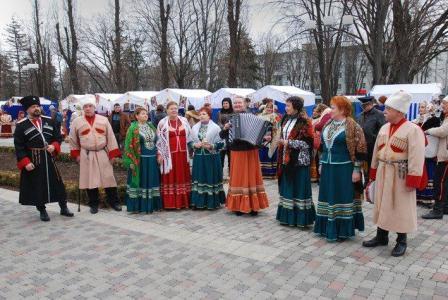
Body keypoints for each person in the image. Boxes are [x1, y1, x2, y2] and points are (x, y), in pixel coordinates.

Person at [363, 90, 426, 257]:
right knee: (382, 202)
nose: (384, 111)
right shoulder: (384, 127)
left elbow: (417, 155)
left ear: (398, 111)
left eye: (388, 109)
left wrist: (414, 177)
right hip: (384, 171)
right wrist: (373, 172)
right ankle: (381, 236)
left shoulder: (413, 130)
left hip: (401, 174)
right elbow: (377, 150)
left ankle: (401, 240)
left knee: (400, 206)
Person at [314, 96, 367, 242]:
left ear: (343, 110)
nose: (330, 110)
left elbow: (361, 148)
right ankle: (326, 227)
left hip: (344, 169)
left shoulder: (353, 126)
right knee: (327, 196)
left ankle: (342, 229)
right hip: (328, 167)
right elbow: (323, 147)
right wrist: (321, 163)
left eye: (333, 107)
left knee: (341, 197)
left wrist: (357, 169)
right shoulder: (328, 124)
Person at [13, 96, 73, 221]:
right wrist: (25, 162)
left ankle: (63, 207)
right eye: (33, 107)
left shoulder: (49, 121)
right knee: (37, 185)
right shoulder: (21, 125)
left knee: (58, 183)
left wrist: (54, 146)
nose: (36, 109)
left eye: (37, 106)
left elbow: (58, 138)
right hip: (33, 159)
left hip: (49, 158)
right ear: (27, 109)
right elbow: (19, 147)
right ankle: (42, 210)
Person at [69, 97, 122, 214]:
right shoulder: (76, 122)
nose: (88, 108)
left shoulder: (104, 120)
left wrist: (112, 154)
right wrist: (76, 155)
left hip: (103, 152)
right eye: (85, 106)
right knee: (90, 179)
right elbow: (72, 139)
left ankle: (114, 202)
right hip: (86, 154)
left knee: (108, 177)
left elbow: (111, 137)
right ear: (83, 108)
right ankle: (93, 204)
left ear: (94, 107)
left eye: (90, 106)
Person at [219, 97, 270, 216]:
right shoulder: (229, 118)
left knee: (252, 176)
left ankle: (253, 206)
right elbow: (222, 135)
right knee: (238, 177)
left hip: (251, 151)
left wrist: (264, 138)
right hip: (236, 151)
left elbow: (259, 134)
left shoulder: (253, 116)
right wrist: (225, 128)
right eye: (235, 103)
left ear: (245, 104)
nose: (237, 105)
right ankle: (237, 206)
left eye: (239, 102)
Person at [276, 96, 315, 227]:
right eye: (285, 105)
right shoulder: (285, 119)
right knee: (288, 187)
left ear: (296, 107)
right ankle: (287, 218)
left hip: (299, 161)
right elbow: (281, 135)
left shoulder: (305, 122)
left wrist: (289, 142)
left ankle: (300, 220)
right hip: (286, 159)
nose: (285, 108)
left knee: (298, 188)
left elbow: (309, 143)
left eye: (288, 106)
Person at [123, 107, 162, 214]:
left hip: (152, 160)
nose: (146, 115)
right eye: (143, 113)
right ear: (137, 116)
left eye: (146, 113)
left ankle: (152, 205)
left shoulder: (151, 126)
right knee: (141, 182)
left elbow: (157, 142)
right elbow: (128, 145)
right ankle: (138, 206)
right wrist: (130, 161)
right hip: (140, 161)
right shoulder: (133, 128)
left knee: (152, 180)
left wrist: (159, 154)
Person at [156, 101, 192, 209]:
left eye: (175, 108)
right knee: (171, 178)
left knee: (182, 177)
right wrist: (160, 154)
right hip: (169, 157)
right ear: (167, 110)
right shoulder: (162, 123)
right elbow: (159, 140)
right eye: (171, 108)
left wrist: (192, 148)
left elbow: (190, 136)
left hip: (182, 155)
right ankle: (170, 203)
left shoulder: (184, 121)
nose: (174, 110)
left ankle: (183, 202)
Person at [190, 106, 226, 209]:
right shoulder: (195, 127)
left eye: (204, 114)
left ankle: (211, 202)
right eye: (200, 114)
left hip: (211, 158)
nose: (201, 116)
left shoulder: (216, 128)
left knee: (209, 177)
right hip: (198, 158)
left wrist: (212, 146)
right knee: (199, 178)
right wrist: (194, 145)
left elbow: (222, 143)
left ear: (209, 116)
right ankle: (198, 202)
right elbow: (189, 141)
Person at [422, 96, 448, 219]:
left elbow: (443, 131)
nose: (442, 105)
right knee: (444, 183)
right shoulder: (446, 117)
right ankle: (444, 208)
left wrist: (428, 131)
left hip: (445, 156)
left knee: (439, 183)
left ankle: (437, 210)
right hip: (444, 155)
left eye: (445, 103)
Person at [413, 102, 440, 205]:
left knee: (429, 174)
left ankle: (428, 199)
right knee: (420, 173)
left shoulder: (433, 120)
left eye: (423, 107)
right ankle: (419, 197)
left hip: (429, 152)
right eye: (420, 107)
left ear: (429, 109)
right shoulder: (418, 119)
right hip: (420, 152)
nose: (420, 109)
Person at [357, 95, 386, 172]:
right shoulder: (360, 116)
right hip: (362, 147)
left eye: (365, 105)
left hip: (374, 146)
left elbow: (383, 130)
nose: (364, 107)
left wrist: (375, 139)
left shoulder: (379, 114)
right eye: (362, 105)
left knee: (373, 168)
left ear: (370, 104)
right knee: (362, 169)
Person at [259, 101, 281, 178]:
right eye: (267, 107)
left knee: (271, 154)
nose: (269, 109)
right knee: (263, 155)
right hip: (262, 139)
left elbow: (278, 129)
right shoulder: (260, 116)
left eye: (271, 108)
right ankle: (262, 173)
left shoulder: (276, 117)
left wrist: (274, 123)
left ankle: (271, 173)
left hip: (272, 138)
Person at [311, 104, 330, 182]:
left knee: (320, 159)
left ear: (321, 111)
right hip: (318, 141)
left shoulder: (323, 117)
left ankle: (320, 177)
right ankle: (318, 177)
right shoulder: (314, 118)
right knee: (317, 159)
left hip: (321, 141)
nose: (314, 112)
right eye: (314, 111)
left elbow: (319, 127)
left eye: (316, 111)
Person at [217, 98, 234, 173]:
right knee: (221, 155)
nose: (225, 105)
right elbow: (218, 123)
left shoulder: (234, 112)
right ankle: (220, 174)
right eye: (223, 103)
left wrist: (230, 126)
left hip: (231, 135)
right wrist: (224, 127)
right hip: (223, 135)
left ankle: (231, 173)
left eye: (226, 103)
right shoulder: (219, 112)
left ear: (230, 103)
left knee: (231, 155)